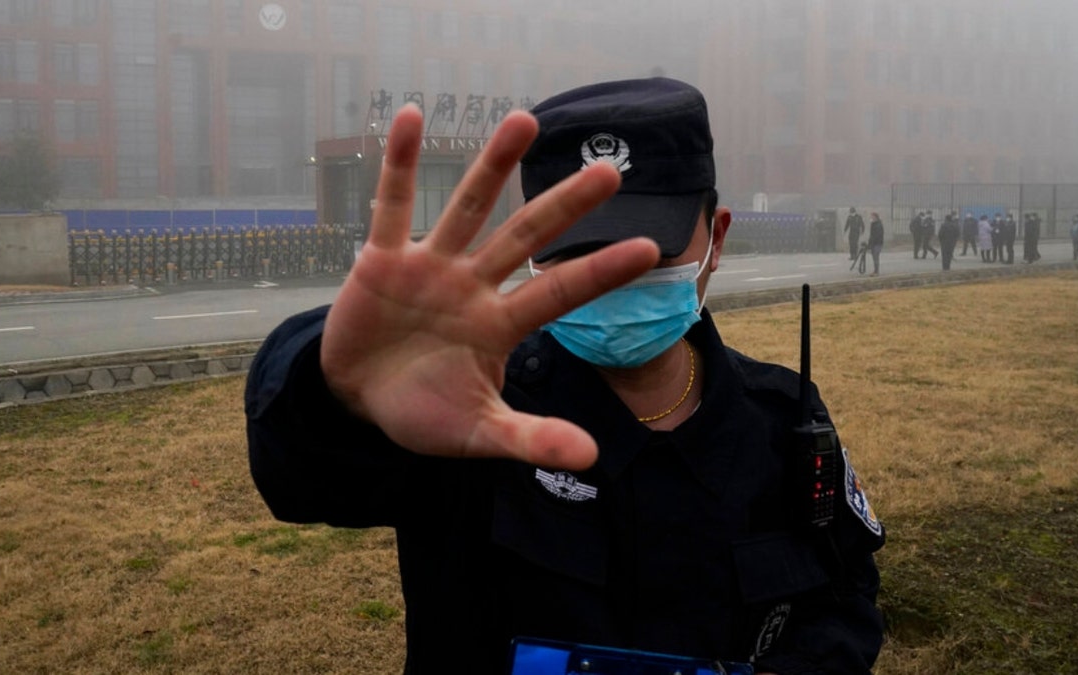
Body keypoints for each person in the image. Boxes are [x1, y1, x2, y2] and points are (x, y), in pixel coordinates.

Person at [245, 78, 885, 675]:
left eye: (649, 246)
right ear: (533, 254)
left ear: (716, 237)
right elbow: (301, 480)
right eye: (578, 247)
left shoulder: (781, 420)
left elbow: (845, 595)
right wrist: (338, 389)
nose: (610, 274)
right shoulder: (472, 413)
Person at [867, 211, 884, 276]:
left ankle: (876, 271)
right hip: (874, 243)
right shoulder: (874, 224)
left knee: (876, 257)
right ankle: (875, 271)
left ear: (875, 217)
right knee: (874, 257)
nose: (871, 218)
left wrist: (872, 243)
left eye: (872, 217)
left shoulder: (878, 225)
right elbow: (871, 235)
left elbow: (876, 235)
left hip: (877, 243)